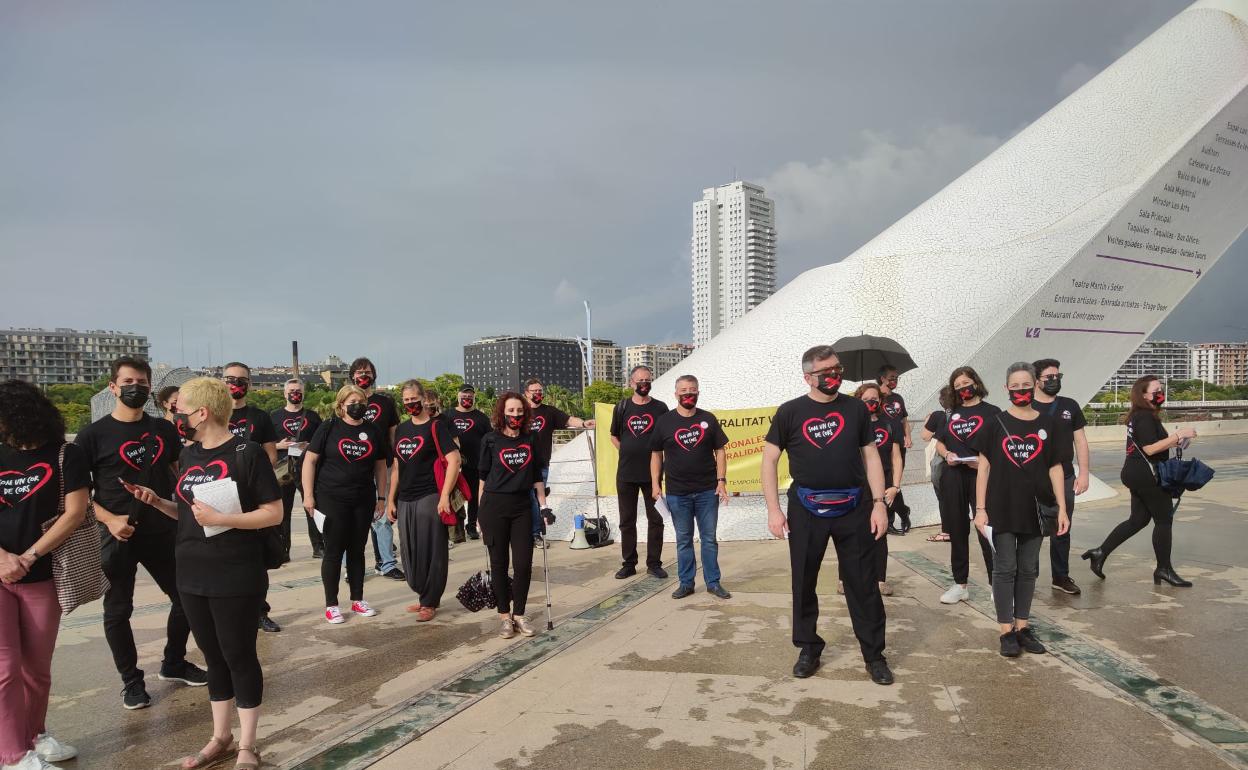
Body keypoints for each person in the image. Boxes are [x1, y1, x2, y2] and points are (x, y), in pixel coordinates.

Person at [124, 377, 282, 770]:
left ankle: (247, 744)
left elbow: (273, 512)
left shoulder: (247, 453)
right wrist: (160, 502)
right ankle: (220, 737)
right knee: (213, 657)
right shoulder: (190, 454)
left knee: (238, 655)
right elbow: (191, 515)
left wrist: (223, 518)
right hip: (191, 571)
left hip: (235, 572)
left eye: (180, 409)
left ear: (202, 412)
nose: (176, 415)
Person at [75, 356, 205, 711]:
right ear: (114, 387)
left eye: (142, 382)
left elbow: (180, 473)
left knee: (186, 597)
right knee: (118, 610)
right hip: (119, 533)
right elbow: (77, 495)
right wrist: (109, 519)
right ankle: (131, 682)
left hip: (162, 528)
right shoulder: (91, 436)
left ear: (150, 388)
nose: (136, 387)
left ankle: (174, 663)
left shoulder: (163, 430)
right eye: (128, 381)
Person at [760, 347, 893, 685]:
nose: (834, 375)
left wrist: (879, 503)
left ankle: (874, 655)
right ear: (808, 377)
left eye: (837, 368)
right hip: (805, 509)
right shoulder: (790, 412)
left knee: (863, 583)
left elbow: (872, 457)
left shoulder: (856, 409)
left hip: (855, 507)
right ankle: (809, 648)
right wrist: (774, 510)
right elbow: (769, 461)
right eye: (825, 372)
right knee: (803, 581)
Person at [0, 380, 89, 770]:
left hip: (42, 575)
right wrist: (3, 557)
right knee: (4, 669)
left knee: (36, 668)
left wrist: (28, 556)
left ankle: (35, 734)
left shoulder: (66, 454)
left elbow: (74, 513)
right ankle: (12, 755)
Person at [970, 362, 1069, 657]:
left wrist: (1062, 508)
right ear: (1006, 389)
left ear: (1035, 385)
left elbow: (1055, 468)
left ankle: (1023, 627)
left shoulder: (1050, 424)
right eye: (1015, 386)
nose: (1021, 391)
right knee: (1005, 569)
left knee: (1028, 570)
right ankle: (1005, 632)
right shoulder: (994, 423)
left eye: (1026, 385)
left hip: (1037, 508)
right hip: (1001, 507)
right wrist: (981, 508)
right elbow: (983, 469)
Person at [1082, 376, 1198, 587]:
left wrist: (1179, 440)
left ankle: (1100, 552)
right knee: (1163, 520)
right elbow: (1150, 449)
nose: (1160, 392)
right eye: (1156, 389)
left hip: (1137, 472)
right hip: (1146, 475)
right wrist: (1178, 434)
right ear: (1143, 394)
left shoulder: (1142, 416)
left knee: (1138, 520)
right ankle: (1164, 569)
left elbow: (1153, 444)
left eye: (1161, 389)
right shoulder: (1144, 416)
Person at [302, 385, 391, 624]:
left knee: (357, 550)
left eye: (361, 401)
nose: (357, 405)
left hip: (363, 498)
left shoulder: (372, 430)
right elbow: (310, 461)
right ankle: (331, 604)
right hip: (332, 497)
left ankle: (358, 599)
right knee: (333, 551)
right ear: (341, 405)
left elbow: (381, 466)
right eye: (352, 401)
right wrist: (308, 495)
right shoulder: (329, 427)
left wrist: (381, 497)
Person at [650, 375, 730, 600]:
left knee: (709, 538)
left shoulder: (709, 419)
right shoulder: (664, 421)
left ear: (698, 393)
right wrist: (656, 484)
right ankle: (686, 583)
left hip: (707, 491)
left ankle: (713, 583)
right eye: (683, 390)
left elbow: (720, 451)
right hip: (677, 493)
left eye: (692, 390)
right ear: (675, 394)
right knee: (683, 540)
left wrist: (721, 480)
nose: (688, 394)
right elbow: (656, 454)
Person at [477, 392, 549, 639]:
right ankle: (504, 616)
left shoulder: (531, 438)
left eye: (519, 411)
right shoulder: (490, 440)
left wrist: (543, 506)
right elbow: (483, 479)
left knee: (523, 564)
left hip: (522, 508)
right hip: (493, 507)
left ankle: (520, 614)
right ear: (502, 413)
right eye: (511, 411)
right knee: (498, 564)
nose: (515, 415)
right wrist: (478, 514)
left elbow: (538, 475)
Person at [387, 381, 460, 621]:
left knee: (433, 550)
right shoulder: (401, 430)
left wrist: (444, 496)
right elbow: (397, 466)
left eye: (413, 399)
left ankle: (430, 600)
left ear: (423, 398)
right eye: (406, 400)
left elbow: (454, 460)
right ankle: (422, 595)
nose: (410, 403)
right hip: (406, 498)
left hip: (429, 496)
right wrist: (390, 499)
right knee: (410, 551)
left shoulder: (436, 427)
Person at [222, 363, 282, 634]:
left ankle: (260, 611)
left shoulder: (260, 417)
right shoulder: (212, 415)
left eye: (242, 379)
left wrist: (255, 481)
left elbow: (271, 455)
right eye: (230, 379)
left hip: (252, 498)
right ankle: (230, 612)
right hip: (220, 496)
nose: (236, 383)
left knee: (256, 561)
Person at [933, 367, 999, 605]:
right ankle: (960, 584)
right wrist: (948, 453)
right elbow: (939, 442)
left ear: (976, 383)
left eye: (966, 383)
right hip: (954, 475)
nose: (963, 389)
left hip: (980, 476)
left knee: (986, 529)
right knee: (958, 530)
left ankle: (997, 583)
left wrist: (984, 462)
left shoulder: (992, 412)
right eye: (958, 386)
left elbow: (1000, 445)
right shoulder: (952, 414)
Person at [1032, 358, 1090, 595]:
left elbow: (1081, 441)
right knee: (1031, 530)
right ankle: (1028, 576)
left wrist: (1084, 473)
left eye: (1058, 377)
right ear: (1036, 381)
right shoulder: (1028, 407)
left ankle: (1061, 576)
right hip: (1033, 478)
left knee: (1062, 528)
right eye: (1049, 377)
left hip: (1065, 476)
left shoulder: (1070, 406)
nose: (1055, 381)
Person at [610, 365, 669, 579]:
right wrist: (626, 450)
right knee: (627, 520)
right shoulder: (622, 407)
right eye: (640, 380)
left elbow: (666, 437)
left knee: (656, 520)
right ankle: (629, 563)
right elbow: (614, 436)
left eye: (647, 379)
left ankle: (654, 563)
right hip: (626, 474)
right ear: (631, 383)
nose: (644, 384)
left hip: (652, 475)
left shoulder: (661, 408)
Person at [348, 358, 405, 582]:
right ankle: (351, 566)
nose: (364, 375)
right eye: (360, 372)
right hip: (356, 468)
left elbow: (393, 434)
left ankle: (386, 563)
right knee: (354, 520)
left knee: (382, 517)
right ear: (352, 375)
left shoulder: (385, 402)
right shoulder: (346, 400)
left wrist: (398, 460)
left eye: (368, 372)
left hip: (384, 465)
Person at [523, 378, 594, 547]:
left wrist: (584, 423)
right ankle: (524, 533)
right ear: (526, 393)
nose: (538, 394)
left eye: (540, 391)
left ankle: (536, 534)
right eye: (535, 391)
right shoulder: (521, 412)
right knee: (525, 499)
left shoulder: (549, 411)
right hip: (522, 464)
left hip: (541, 465)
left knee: (536, 499)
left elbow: (569, 420)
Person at [854, 383, 902, 596]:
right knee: (853, 534)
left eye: (875, 399)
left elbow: (896, 458)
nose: (871, 403)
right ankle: (846, 577)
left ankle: (880, 580)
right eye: (866, 400)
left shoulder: (889, 424)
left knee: (880, 534)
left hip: (882, 488)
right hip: (857, 487)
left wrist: (895, 487)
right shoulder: (853, 424)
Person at [269, 379, 322, 560]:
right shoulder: (274, 416)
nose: (295, 394)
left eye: (298, 390)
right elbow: (264, 445)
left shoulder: (313, 417)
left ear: (303, 393)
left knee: (312, 505)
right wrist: (279, 445)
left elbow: (322, 442)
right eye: (291, 391)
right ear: (284, 394)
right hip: (283, 469)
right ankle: (283, 550)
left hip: (307, 467)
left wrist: (308, 445)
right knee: (283, 510)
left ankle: (318, 546)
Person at [446, 385, 490, 541]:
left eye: (470, 396)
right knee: (451, 496)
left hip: (475, 464)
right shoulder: (448, 415)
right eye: (464, 395)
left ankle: (471, 525)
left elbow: (489, 440)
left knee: (472, 497)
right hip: (452, 465)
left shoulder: (481, 418)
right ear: (458, 396)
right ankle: (452, 528)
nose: (467, 398)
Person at [877, 365, 912, 532]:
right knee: (886, 483)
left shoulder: (898, 398)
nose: (894, 380)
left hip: (898, 445)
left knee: (893, 482)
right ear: (882, 378)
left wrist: (908, 437)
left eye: (896, 377)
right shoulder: (876, 397)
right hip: (881, 444)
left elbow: (904, 420)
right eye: (891, 377)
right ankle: (900, 514)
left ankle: (899, 516)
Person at [920, 386, 955, 543]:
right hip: (961, 460)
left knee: (943, 498)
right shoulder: (961, 414)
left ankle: (946, 531)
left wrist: (928, 423)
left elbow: (925, 437)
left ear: (941, 400)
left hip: (942, 461)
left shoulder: (937, 415)